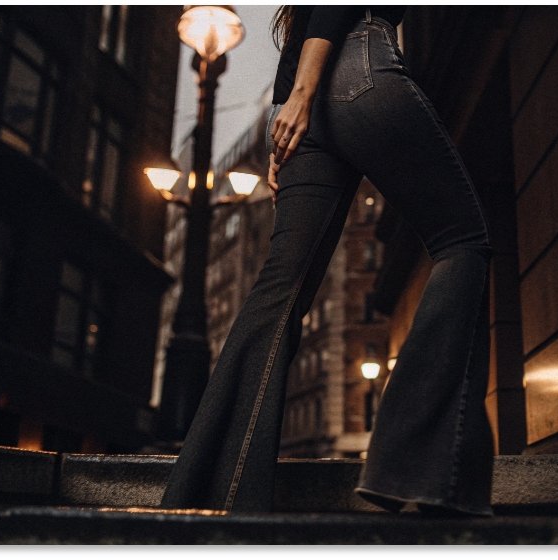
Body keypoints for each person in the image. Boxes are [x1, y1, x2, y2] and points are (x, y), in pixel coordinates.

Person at [159, 5, 495, 517]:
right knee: (463, 240)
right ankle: (423, 471)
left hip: (308, 103)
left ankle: (209, 490)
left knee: (279, 291)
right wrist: (299, 97)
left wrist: (289, 111)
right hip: (355, 74)